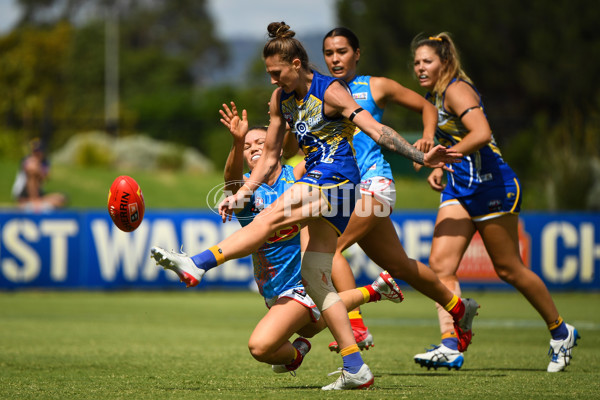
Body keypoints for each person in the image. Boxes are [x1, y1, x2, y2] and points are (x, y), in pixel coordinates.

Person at [150, 21, 459, 390]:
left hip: (338, 183)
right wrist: (243, 191)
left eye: (276, 73)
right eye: (268, 74)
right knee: (316, 280)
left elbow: (377, 131)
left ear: (296, 64)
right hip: (323, 186)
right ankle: (355, 366)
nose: (272, 80)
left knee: (269, 218)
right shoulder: (282, 99)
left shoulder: (331, 91)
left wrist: (421, 157)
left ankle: (197, 263)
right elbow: (267, 157)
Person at [410, 32, 580, 372]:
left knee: (508, 269)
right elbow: (453, 144)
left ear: (444, 61)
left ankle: (561, 332)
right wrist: (439, 163)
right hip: (460, 188)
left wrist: (445, 154)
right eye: (415, 62)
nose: (419, 68)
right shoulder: (434, 96)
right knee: (440, 266)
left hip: (493, 185)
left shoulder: (457, 89)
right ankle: (450, 345)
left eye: (427, 61)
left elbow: (481, 133)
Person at [210, 101, 404, 375]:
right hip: (274, 290)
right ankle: (374, 291)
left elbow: (323, 159)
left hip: (301, 284)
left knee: (262, 348)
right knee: (312, 327)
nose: (253, 148)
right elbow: (230, 181)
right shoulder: (245, 189)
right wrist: (236, 139)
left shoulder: (298, 175)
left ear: (276, 146)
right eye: (247, 146)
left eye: (260, 142)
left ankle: (303, 357)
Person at [321, 27, 480, 355]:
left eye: (342, 51)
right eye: (329, 53)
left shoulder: (374, 86)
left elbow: (428, 106)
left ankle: (356, 325)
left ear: (357, 54)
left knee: (329, 249)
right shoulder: (322, 93)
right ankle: (458, 309)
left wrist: (427, 137)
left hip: (375, 185)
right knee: (402, 267)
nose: (335, 59)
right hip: (349, 193)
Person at [11, 138, 67, 213]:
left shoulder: (45, 162)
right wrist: (38, 169)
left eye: (38, 151)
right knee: (33, 173)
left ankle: (37, 202)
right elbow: (31, 170)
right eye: (34, 151)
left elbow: (46, 177)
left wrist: (39, 170)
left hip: (39, 194)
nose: (36, 153)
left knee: (62, 198)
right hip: (23, 193)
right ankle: (33, 201)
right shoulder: (28, 160)